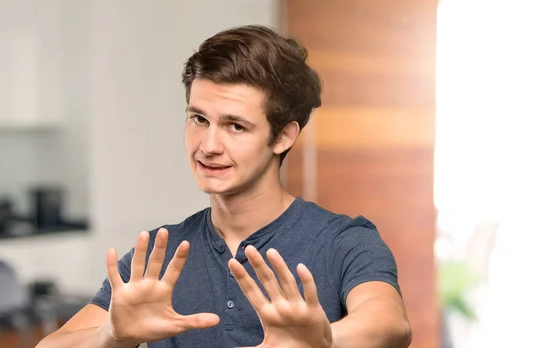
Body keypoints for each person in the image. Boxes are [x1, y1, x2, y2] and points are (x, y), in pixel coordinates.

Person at [36, 25, 411, 348]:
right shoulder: (157, 258)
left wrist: (324, 341)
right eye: (199, 118)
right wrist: (112, 335)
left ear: (282, 136)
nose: (209, 145)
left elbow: (389, 325)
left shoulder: (344, 241)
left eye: (235, 126)